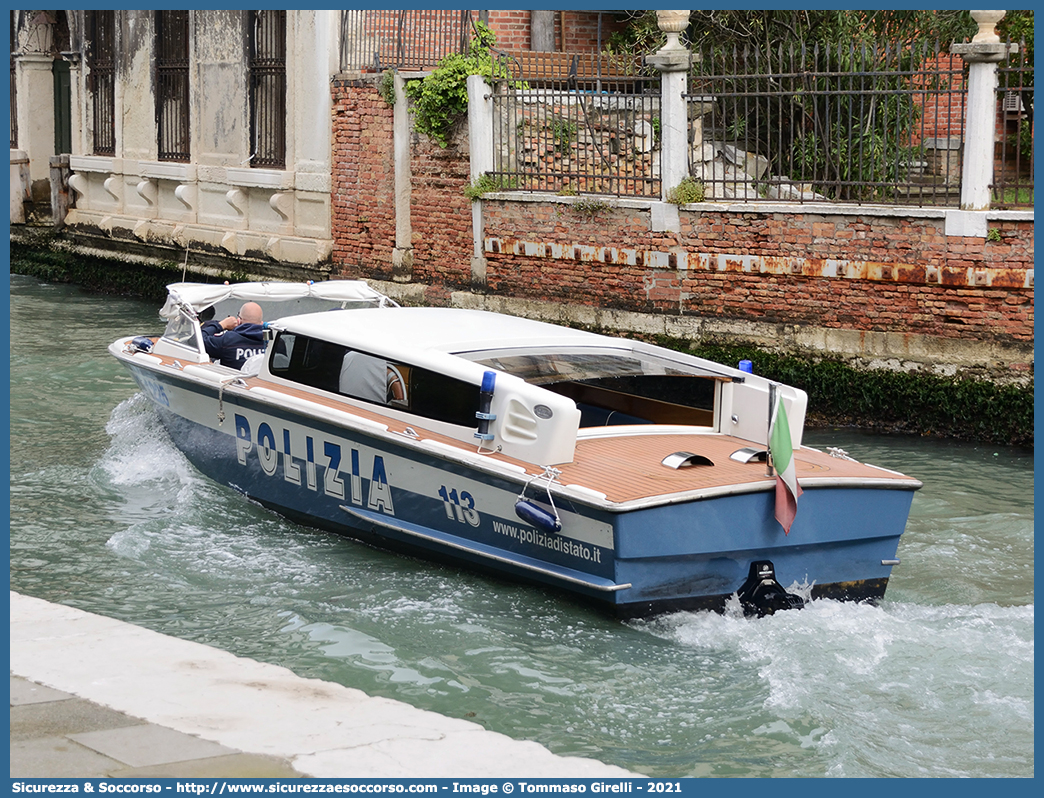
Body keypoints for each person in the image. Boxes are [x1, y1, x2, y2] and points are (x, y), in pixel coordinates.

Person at [201, 301, 266, 369]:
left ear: (238, 321)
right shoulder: (270, 341)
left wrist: (221, 325)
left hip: (231, 379)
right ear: (261, 323)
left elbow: (197, 341)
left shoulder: (228, 340)